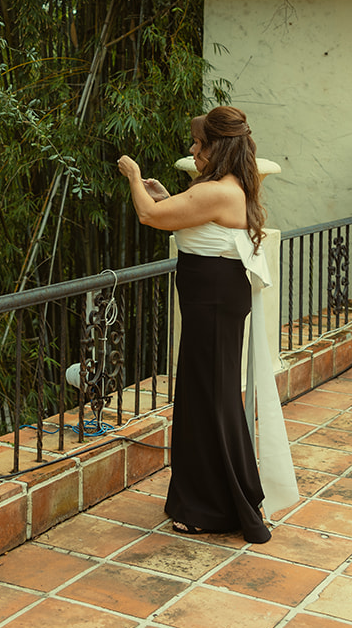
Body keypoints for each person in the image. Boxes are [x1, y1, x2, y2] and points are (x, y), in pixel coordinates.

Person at [117, 106, 298, 542]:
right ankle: (217, 499)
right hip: (212, 299)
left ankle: (215, 506)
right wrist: (159, 193)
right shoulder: (228, 187)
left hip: (213, 302)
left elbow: (150, 218)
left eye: (198, 144)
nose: (193, 150)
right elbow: (181, 216)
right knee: (207, 396)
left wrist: (134, 176)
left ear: (217, 146)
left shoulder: (221, 190)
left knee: (209, 400)